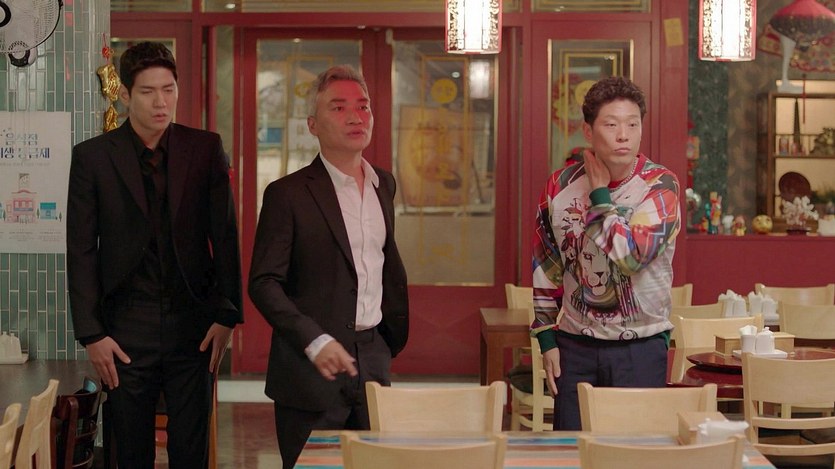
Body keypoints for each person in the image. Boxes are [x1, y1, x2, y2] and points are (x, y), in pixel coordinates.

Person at [66, 41, 242, 467]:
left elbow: (225, 236)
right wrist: (91, 334)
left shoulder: (204, 149)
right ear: (125, 95)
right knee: (128, 450)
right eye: (148, 92)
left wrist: (227, 315)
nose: (161, 102)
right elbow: (81, 248)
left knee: (191, 450)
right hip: (125, 327)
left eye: (169, 89)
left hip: (194, 325)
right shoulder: (93, 157)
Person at [248, 64, 409, 468]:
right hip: (310, 367)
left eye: (363, 106)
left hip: (372, 357)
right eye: (338, 108)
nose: (356, 116)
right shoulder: (287, 194)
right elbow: (264, 282)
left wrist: (383, 344)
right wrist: (314, 340)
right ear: (312, 125)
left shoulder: (384, 185)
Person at [531, 76, 680, 430]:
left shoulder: (660, 186)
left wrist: (600, 195)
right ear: (588, 130)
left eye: (632, 124)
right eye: (611, 125)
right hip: (574, 346)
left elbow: (629, 258)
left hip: (641, 346)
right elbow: (546, 265)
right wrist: (546, 338)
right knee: (571, 450)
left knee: (634, 453)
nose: (623, 135)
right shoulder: (559, 185)